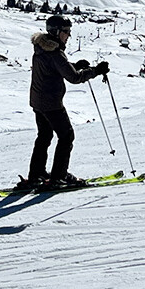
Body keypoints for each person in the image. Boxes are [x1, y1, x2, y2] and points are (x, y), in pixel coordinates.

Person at [20, 13, 109, 191]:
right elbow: (74, 78)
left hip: (38, 101)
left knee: (44, 136)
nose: (68, 35)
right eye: (66, 31)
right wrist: (95, 71)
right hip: (51, 103)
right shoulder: (55, 53)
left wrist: (74, 64)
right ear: (56, 32)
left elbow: (57, 69)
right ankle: (59, 177)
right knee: (66, 136)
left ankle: (36, 174)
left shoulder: (41, 48)